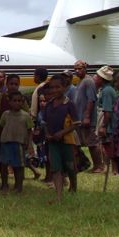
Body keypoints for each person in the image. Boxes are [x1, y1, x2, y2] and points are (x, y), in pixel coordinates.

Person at [42, 72, 81, 202]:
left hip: (67, 141)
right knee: (56, 168)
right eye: (52, 87)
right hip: (53, 142)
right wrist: (47, 133)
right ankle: (59, 196)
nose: (55, 90)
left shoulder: (69, 104)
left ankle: (73, 186)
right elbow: (45, 123)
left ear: (64, 87)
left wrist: (62, 132)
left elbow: (76, 124)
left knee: (70, 166)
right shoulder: (48, 105)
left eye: (58, 87)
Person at [0, 91, 34, 193]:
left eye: (19, 101)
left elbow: (30, 130)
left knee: (18, 166)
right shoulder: (5, 114)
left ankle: (18, 186)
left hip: (19, 143)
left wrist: (29, 144)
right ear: (10, 102)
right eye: (14, 101)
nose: (17, 103)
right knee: (3, 164)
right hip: (5, 142)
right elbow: (0, 126)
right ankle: (4, 184)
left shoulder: (26, 116)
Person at [72, 60, 104, 173]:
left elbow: (91, 99)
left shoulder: (89, 81)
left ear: (85, 68)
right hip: (79, 118)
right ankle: (91, 165)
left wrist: (87, 117)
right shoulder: (80, 82)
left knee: (92, 143)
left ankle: (99, 166)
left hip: (87, 119)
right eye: (75, 69)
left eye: (79, 68)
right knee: (84, 143)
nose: (77, 71)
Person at [95, 65, 116, 175]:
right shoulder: (103, 90)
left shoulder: (107, 91)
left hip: (107, 122)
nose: (95, 78)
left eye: (97, 76)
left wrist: (104, 126)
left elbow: (107, 110)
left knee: (108, 145)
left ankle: (114, 169)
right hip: (103, 118)